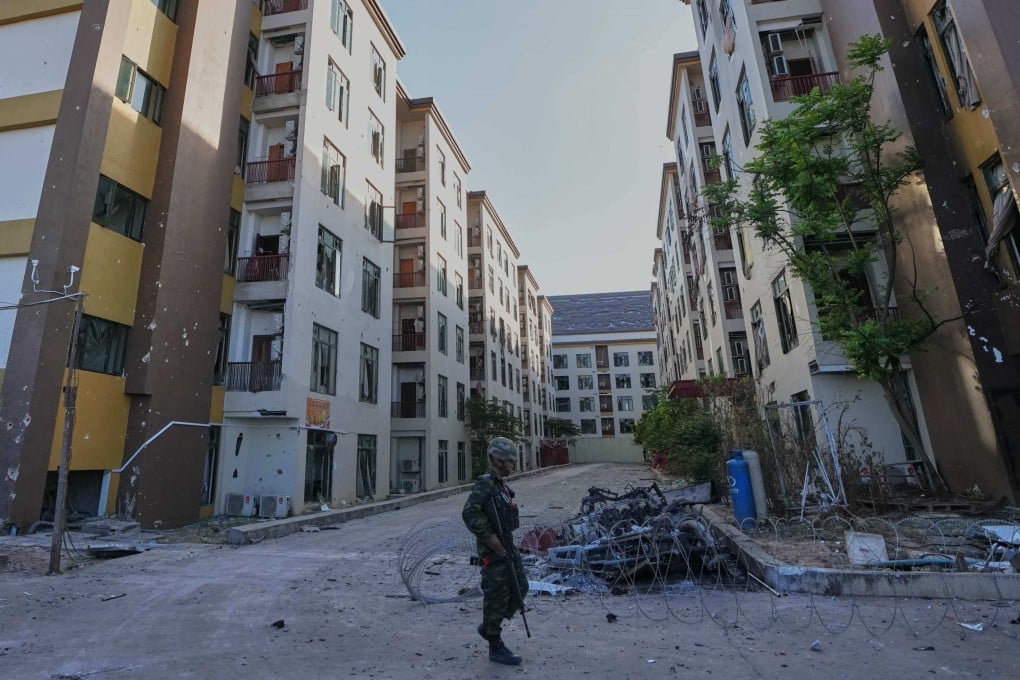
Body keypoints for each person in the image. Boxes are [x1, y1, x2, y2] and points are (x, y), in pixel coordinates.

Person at [461, 437, 529, 666]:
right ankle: (495, 643)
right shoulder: (485, 484)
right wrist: (488, 536)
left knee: (521, 588)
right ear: (499, 460)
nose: (512, 464)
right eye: (510, 460)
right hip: (494, 550)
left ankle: (489, 627)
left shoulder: (501, 486)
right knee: (496, 595)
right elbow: (470, 513)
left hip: (508, 546)